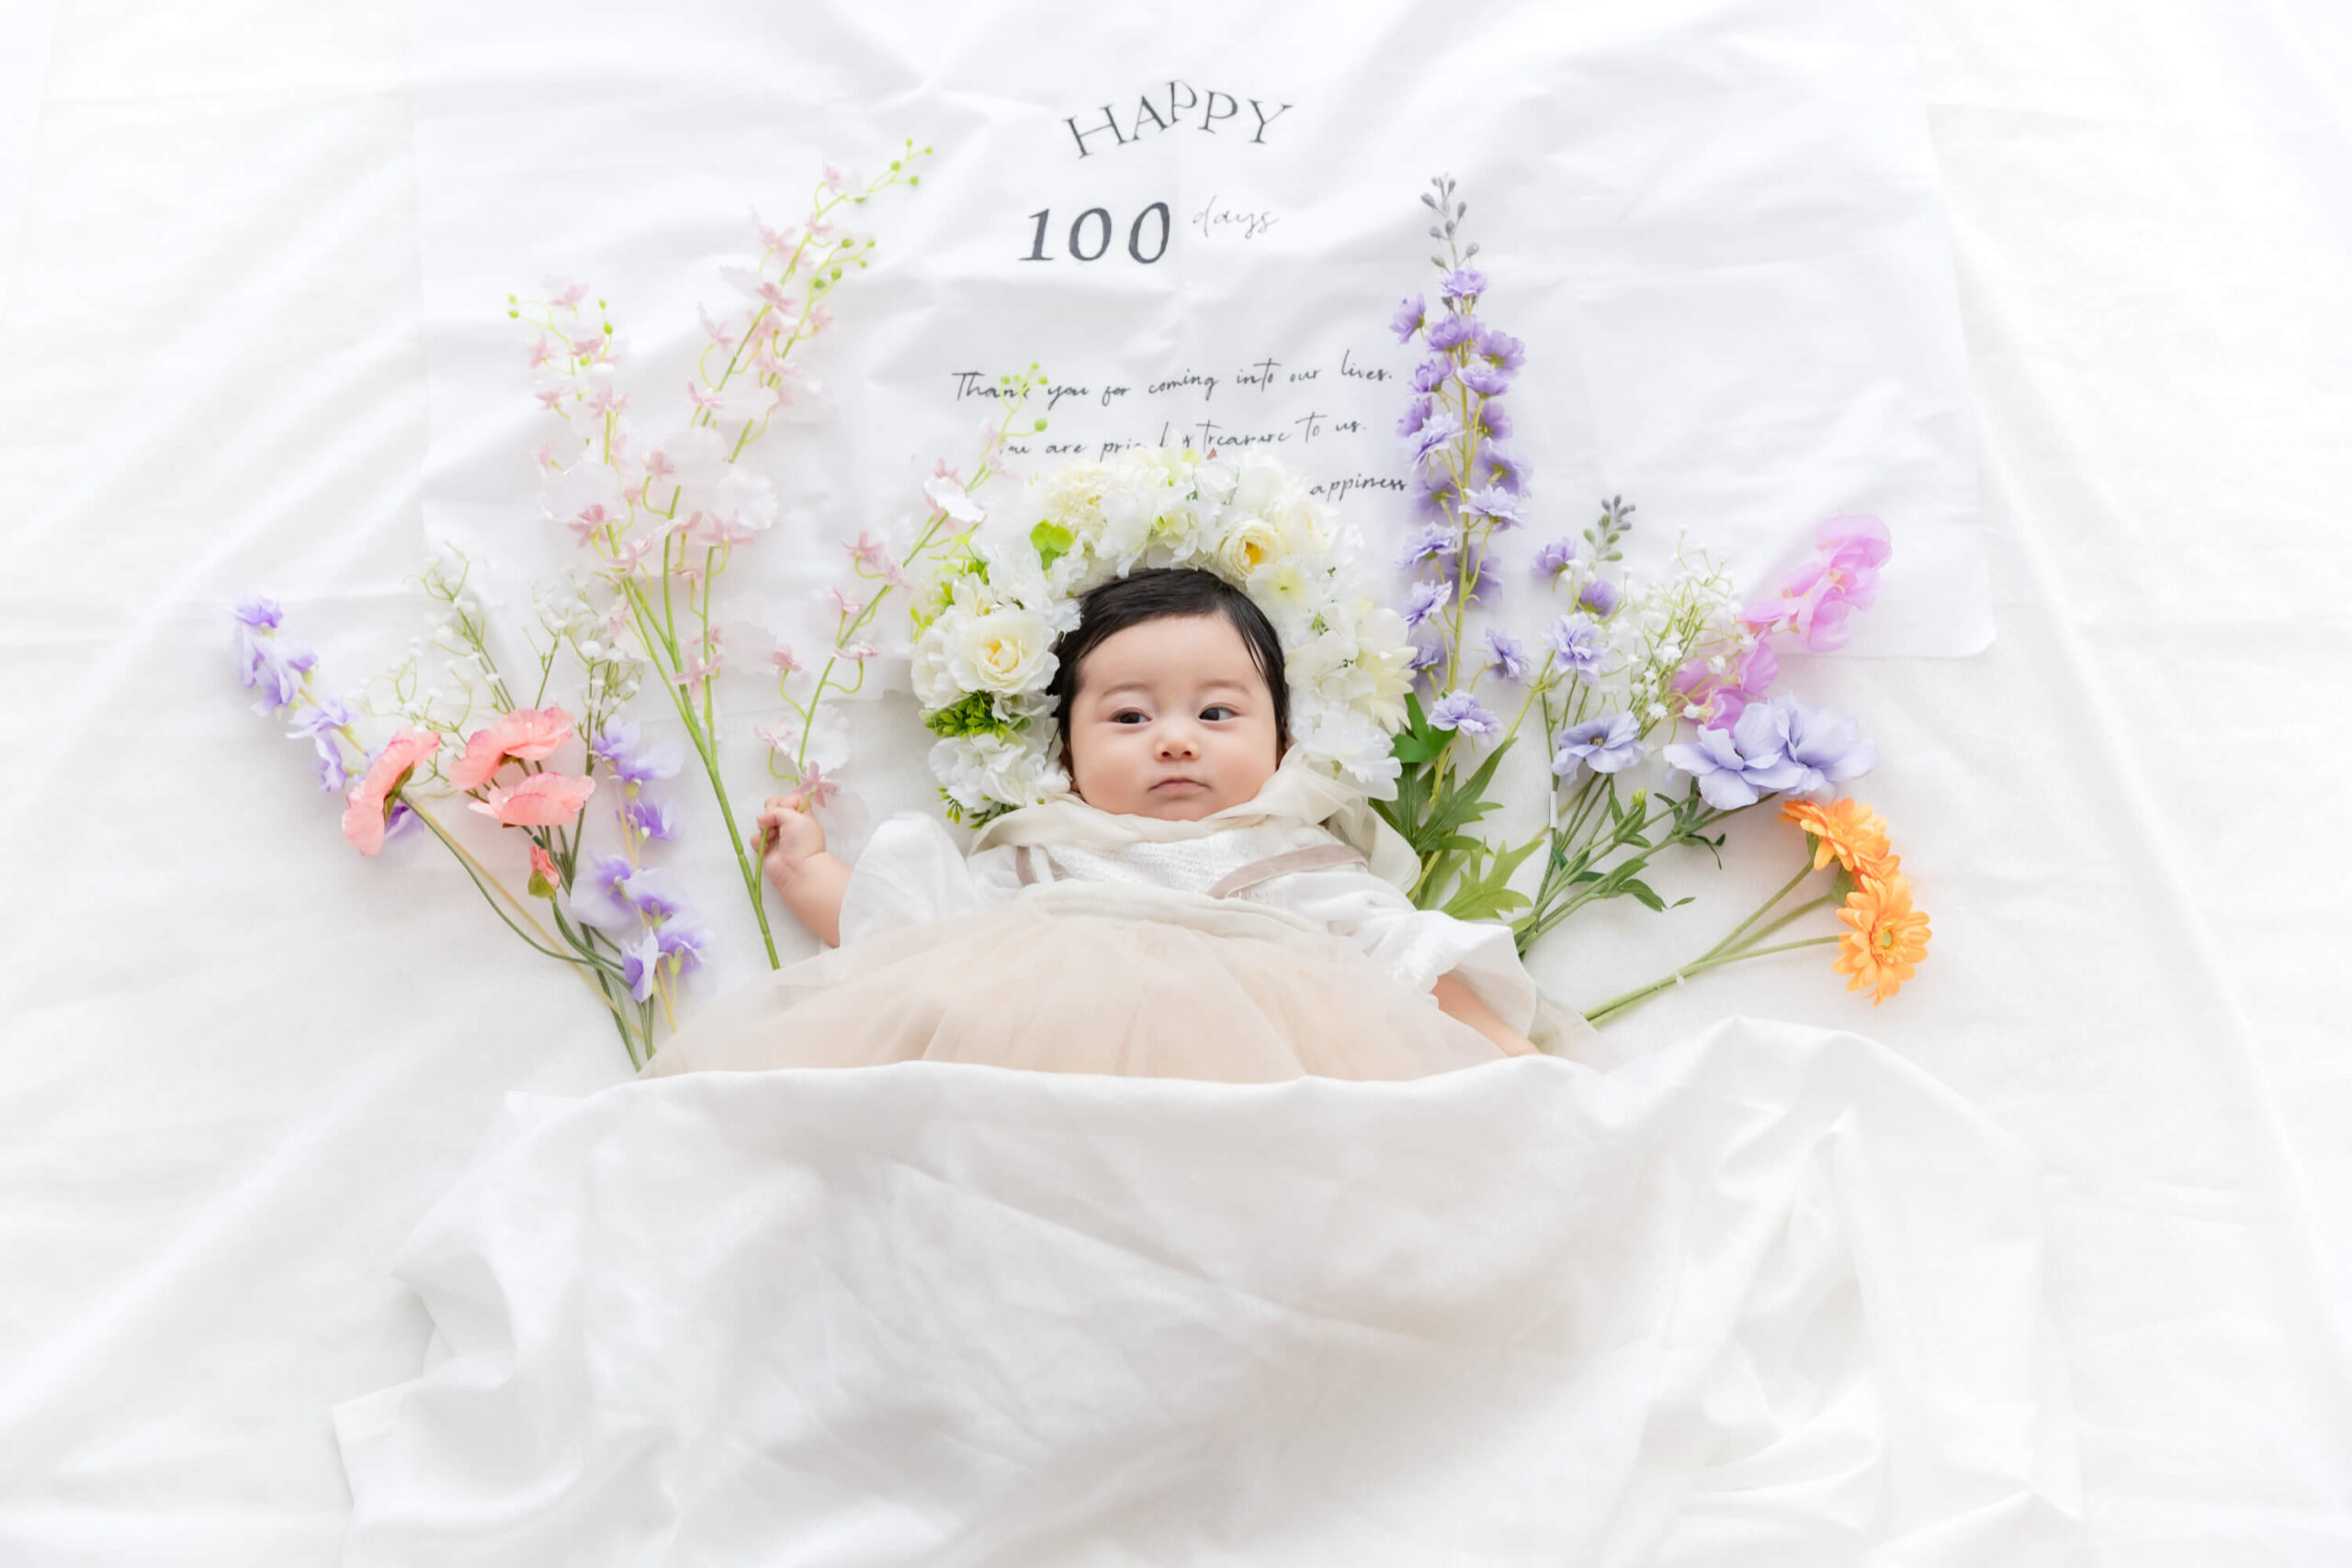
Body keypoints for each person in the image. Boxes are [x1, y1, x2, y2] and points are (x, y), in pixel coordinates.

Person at [639, 568, 1557, 1083]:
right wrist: (812, 874)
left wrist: (1516, 1062)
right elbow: (916, 941)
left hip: (1266, 1098)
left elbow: (1405, 959)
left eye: (1217, 713)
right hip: (1048, 1094)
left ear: (1282, 743)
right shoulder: (1040, 856)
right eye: (1128, 716)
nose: (1174, 740)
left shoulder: (1292, 855)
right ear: (1067, 756)